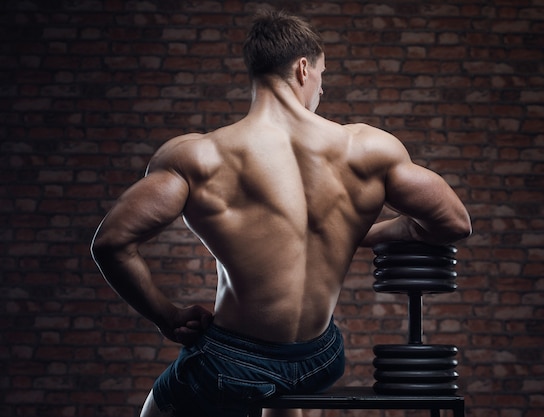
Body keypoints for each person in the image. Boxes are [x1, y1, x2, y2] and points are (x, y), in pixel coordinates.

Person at [91, 9, 472, 417]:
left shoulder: (200, 156)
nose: (321, 90)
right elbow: (454, 223)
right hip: (320, 358)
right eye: (323, 77)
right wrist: (363, 232)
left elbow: (112, 244)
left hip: (231, 365)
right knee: (283, 389)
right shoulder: (368, 150)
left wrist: (166, 317)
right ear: (303, 68)